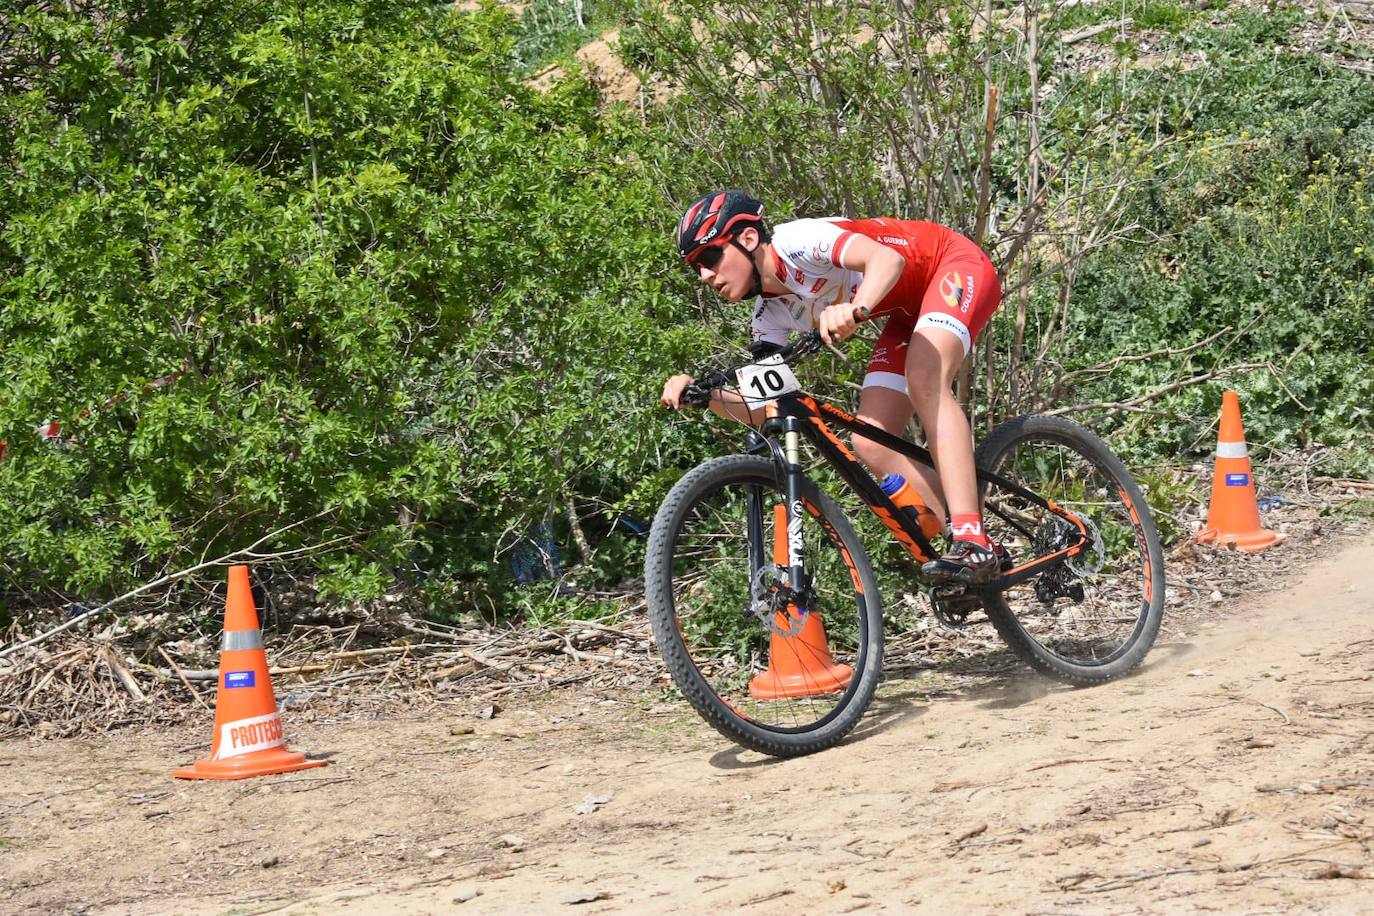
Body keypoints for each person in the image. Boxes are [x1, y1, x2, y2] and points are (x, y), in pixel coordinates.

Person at [659, 189, 1004, 584]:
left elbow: (886, 260)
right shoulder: (769, 316)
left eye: (709, 257)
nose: (705, 275)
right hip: (905, 315)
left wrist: (856, 310)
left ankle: (971, 536)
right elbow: (765, 404)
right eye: (696, 267)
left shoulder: (798, 242)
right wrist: (705, 397)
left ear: (748, 238)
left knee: (925, 380)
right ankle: (973, 559)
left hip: (951, 265)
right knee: (871, 441)